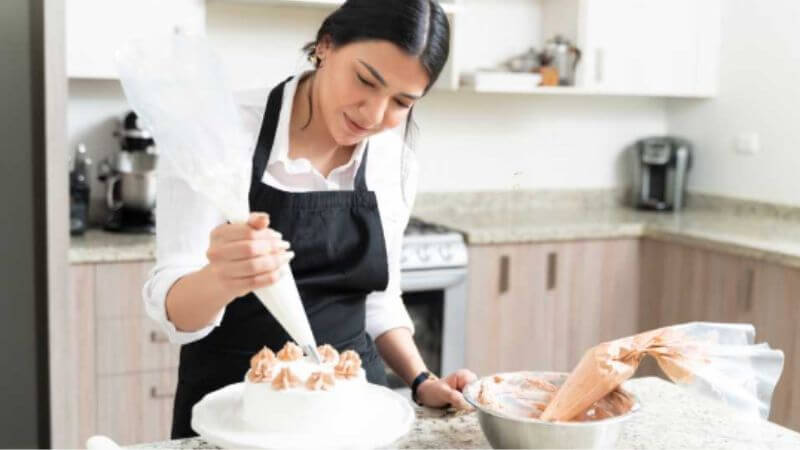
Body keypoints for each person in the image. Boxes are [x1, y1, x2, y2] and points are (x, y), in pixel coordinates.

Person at [142, 0, 477, 438]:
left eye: (401, 102)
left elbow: (380, 300)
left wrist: (421, 380)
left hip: (352, 411)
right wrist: (222, 278)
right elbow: (172, 309)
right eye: (365, 80)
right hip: (238, 413)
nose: (373, 116)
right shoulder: (222, 135)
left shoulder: (393, 160)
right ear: (326, 45)